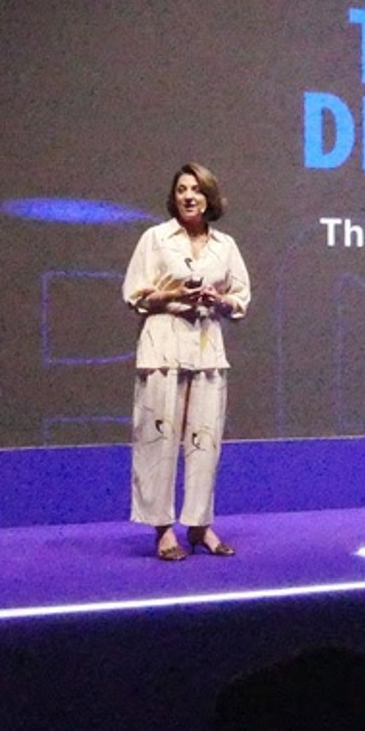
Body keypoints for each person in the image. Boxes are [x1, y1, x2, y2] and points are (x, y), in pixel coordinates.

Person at [122, 162, 250, 561]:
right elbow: (135, 294)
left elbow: (240, 299)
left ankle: (199, 525)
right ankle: (162, 529)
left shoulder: (225, 245)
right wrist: (176, 294)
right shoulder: (156, 238)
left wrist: (219, 300)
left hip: (207, 349)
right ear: (174, 197)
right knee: (157, 441)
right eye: (181, 190)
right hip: (163, 346)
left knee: (205, 443)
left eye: (196, 190)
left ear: (209, 198)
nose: (189, 196)